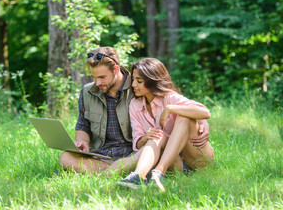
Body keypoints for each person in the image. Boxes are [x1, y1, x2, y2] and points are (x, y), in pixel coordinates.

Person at [59, 48, 211, 173]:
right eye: (94, 77)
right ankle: (114, 170)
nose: (98, 82)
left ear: (116, 69)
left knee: (150, 149)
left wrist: (202, 122)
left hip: (137, 152)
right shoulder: (87, 92)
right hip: (103, 154)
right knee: (65, 158)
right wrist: (82, 143)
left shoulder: (140, 85)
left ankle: (122, 169)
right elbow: (82, 125)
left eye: (102, 77)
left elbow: (175, 101)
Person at [116, 58, 214, 190]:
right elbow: (138, 145)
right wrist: (146, 137)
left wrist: (170, 109)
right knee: (157, 135)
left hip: (196, 156)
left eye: (139, 81)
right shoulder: (135, 104)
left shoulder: (169, 97)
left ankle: (158, 173)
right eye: (133, 80)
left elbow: (205, 112)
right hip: (175, 164)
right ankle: (138, 176)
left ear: (152, 81)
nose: (133, 85)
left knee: (184, 117)